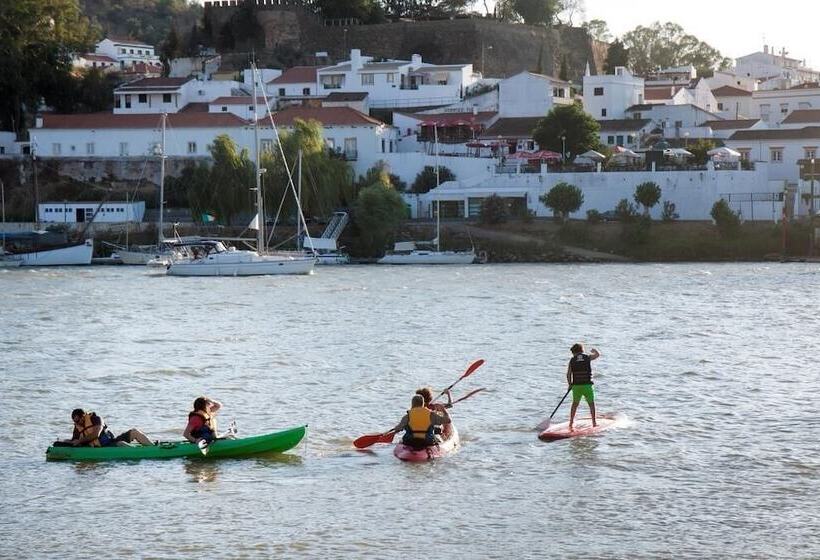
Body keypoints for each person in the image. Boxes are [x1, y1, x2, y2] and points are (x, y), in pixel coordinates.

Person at [59, 409, 154, 447]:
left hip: (110, 442)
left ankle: (154, 448)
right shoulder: (77, 427)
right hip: (100, 448)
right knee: (121, 444)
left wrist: (79, 441)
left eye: (78, 420)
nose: (77, 423)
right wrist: (63, 442)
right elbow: (74, 440)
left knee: (134, 432)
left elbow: (96, 434)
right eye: (75, 421)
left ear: (84, 416)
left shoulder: (96, 419)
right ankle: (140, 453)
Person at [567, 344, 601, 431]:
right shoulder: (587, 357)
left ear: (574, 352)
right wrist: (595, 351)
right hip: (587, 385)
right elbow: (597, 355)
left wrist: (570, 384)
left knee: (575, 404)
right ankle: (594, 423)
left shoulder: (572, 360)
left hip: (576, 386)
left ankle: (571, 422)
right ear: (582, 350)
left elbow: (568, 374)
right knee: (591, 404)